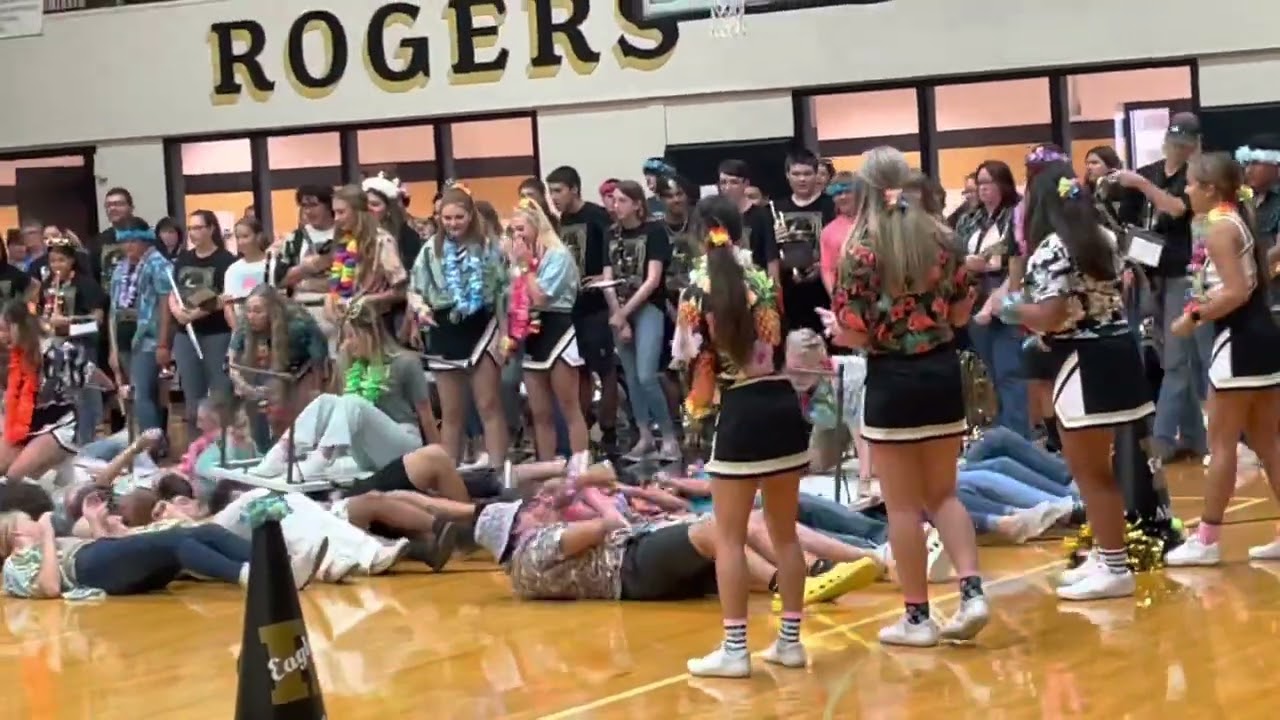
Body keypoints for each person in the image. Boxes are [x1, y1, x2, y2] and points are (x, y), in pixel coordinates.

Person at [823, 146, 987, 647]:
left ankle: (917, 617)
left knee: (901, 508)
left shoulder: (860, 248)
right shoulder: (942, 236)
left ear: (865, 188)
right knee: (944, 494)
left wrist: (843, 329)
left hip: (892, 380)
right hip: (941, 375)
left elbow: (852, 332)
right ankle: (973, 590)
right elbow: (961, 315)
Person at [1000, 162, 1153, 600]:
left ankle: (1116, 567)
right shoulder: (1102, 237)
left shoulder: (1053, 246)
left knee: (1091, 473)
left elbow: (1051, 315)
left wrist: (1007, 308)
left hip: (1083, 362)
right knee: (1096, 470)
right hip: (1117, 353)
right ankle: (1107, 557)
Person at [670, 195, 808, 678]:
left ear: (700, 231)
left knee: (729, 539)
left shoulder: (696, 289)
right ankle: (790, 642)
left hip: (739, 411)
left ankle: (735, 650)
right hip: (783, 407)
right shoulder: (761, 281)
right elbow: (773, 344)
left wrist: (694, 416)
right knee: (785, 534)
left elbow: (694, 361)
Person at [1163, 152, 1280, 565]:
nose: (1188, 190)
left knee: (1222, 445)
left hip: (1240, 340)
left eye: (1192, 184)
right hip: (1261, 336)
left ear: (1211, 189)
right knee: (1268, 443)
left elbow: (1235, 291)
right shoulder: (1234, 219)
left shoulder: (1219, 229)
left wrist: (1191, 317)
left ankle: (1207, 539)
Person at [0, 507, 327, 598]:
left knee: (205, 531)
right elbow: (50, 587)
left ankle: (279, 565)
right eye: (28, 521)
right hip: (85, 568)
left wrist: (98, 525)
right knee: (177, 542)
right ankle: (253, 579)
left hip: (99, 561)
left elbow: (106, 552)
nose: (36, 523)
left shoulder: (50, 545)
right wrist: (46, 536)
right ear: (16, 533)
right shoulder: (14, 566)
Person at [407, 185, 509, 467]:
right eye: (447, 218)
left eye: (458, 217)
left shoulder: (490, 248)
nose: (452, 224)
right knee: (452, 412)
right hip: (444, 330)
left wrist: (505, 333)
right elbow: (414, 289)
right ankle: (448, 471)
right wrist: (421, 310)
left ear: (471, 216)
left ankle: (499, 469)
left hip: (482, 327)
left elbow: (504, 291)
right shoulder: (430, 250)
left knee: (488, 404)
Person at [506, 197, 589, 467]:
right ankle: (548, 469)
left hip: (558, 330)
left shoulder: (558, 255)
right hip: (531, 334)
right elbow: (514, 299)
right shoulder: (518, 260)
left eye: (521, 229)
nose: (517, 235)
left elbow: (540, 297)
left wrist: (526, 267)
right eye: (513, 230)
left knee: (569, 408)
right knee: (539, 412)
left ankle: (580, 467)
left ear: (536, 226)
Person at [610, 180, 679, 461]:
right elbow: (606, 278)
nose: (616, 206)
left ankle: (669, 436)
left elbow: (653, 280)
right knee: (631, 379)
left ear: (638, 204)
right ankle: (644, 436)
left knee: (647, 375)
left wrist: (625, 313)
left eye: (622, 200)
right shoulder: (610, 234)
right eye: (613, 200)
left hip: (647, 307)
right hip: (619, 309)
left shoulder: (654, 232)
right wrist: (618, 315)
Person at [36, 236, 108, 445]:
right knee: (63, 397)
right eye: (52, 261)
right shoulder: (48, 284)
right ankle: (67, 441)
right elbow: (42, 313)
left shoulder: (86, 284)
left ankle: (88, 441)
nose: (56, 266)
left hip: (82, 347)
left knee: (85, 397)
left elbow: (97, 321)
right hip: (56, 349)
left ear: (72, 261)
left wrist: (68, 322)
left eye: (61, 261)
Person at [107, 218, 173, 442]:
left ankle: (150, 446)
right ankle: (144, 441)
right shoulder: (120, 268)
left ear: (145, 240)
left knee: (143, 393)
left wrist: (163, 342)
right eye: (124, 242)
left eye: (134, 241)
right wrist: (113, 348)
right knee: (132, 394)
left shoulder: (158, 264)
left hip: (148, 337)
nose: (128, 247)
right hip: (123, 335)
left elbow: (166, 304)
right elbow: (113, 309)